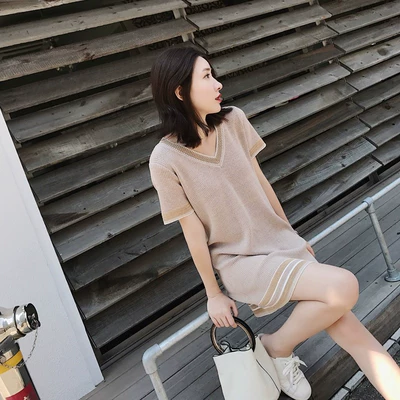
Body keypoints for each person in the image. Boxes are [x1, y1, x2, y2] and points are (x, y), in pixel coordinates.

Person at [148, 45, 400, 400]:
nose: (218, 83)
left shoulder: (234, 120)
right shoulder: (164, 160)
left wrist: (290, 236)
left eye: (213, 74)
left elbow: (262, 185)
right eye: (206, 76)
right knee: (343, 287)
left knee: (347, 325)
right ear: (179, 91)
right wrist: (214, 294)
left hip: (279, 242)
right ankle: (277, 347)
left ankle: (277, 347)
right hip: (240, 261)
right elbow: (192, 231)